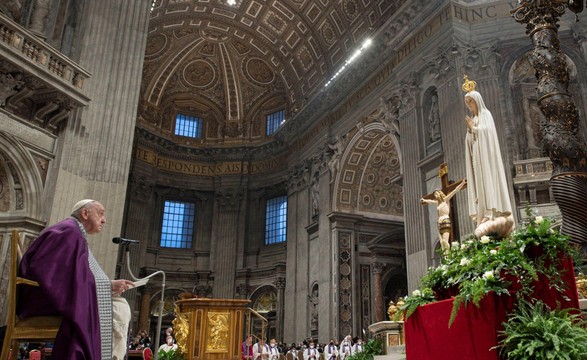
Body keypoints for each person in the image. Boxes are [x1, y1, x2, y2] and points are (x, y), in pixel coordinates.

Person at [18, 199, 134, 360]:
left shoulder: (71, 231)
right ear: (85, 213)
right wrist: (106, 286)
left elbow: (70, 276)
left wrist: (109, 285)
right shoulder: (70, 233)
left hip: (43, 295)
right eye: (100, 214)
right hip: (42, 299)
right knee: (118, 308)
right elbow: (51, 274)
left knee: (117, 304)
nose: (104, 220)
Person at [462, 76, 514, 238]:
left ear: (477, 101)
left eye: (470, 102)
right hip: (477, 158)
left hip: (487, 158)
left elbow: (488, 133)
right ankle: (483, 212)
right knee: (480, 184)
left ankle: (491, 211)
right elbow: (469, 141)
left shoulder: (486, 115)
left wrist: (474, 129)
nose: (469, 106)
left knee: (488, 181)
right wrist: (470, 132)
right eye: (467, 103)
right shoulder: (475, 119)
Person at [420, 180, 467, 252]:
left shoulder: (445, 200)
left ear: (440, 194)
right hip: (439, 223)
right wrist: (424, 200)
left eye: (436, 194)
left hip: (445, 221)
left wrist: (463, 183)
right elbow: (430, 201)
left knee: (445, 242)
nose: (435, 196)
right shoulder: (437, 203)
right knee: (442, 242)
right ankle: (445, 256)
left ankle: (447, 256)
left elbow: (455, 190)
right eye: (435, 194)